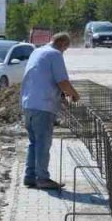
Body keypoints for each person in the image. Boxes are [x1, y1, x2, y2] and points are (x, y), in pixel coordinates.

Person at [20, 32, 78, 190]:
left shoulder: (37, 51)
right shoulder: (55, 54)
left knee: (34, 143)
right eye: (65, 49)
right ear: (63, 44)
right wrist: (74, 94)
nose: (64, 52)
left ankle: (30, 177)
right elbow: (63, 82)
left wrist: (61, 96)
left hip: (28, 104)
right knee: (43, 144)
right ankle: (43, 179)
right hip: (43, 106)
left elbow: (45, 79)